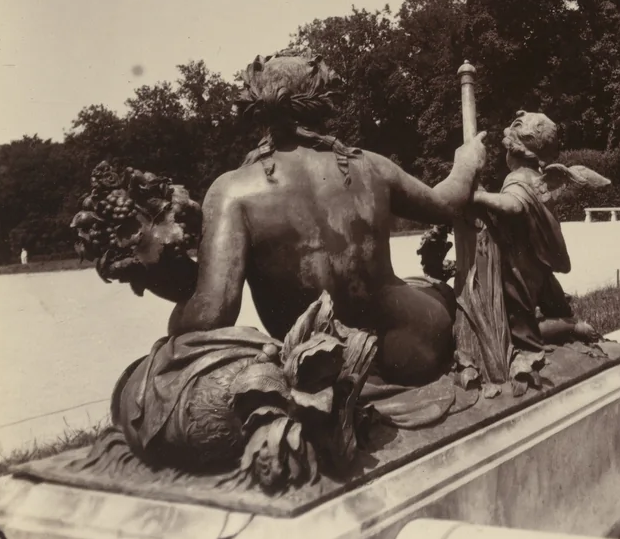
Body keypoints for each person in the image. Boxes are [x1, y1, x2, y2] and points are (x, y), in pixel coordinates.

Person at [135, 50, 487, 387]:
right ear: (323, 100)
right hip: (416, 346)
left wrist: (176, 298)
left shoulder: (232, 191)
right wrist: (467, 162)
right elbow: (445, 203)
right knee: (430, 289)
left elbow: (211, 314)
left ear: (257, 106)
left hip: (320, 367)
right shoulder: (372, 167)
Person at [470, 111, 607, 349]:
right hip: (538, 266)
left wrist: (477, 196)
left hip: (519, 270)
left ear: (513, 152)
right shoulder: (537, 177)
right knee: (547, 313)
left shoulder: (518, 178)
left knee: (519, 336)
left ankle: (572, 327)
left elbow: (513, 206)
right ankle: (571, 324)